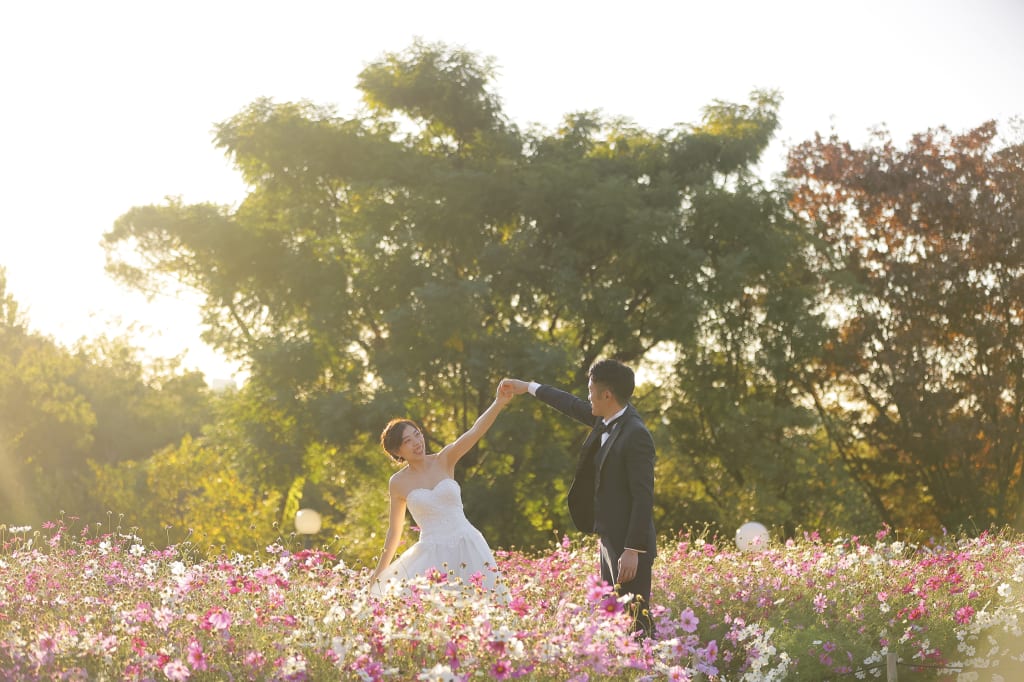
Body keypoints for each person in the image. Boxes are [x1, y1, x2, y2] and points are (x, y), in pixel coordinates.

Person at [502, 360, 656, 637]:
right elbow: (569, 403)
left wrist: (633, 549)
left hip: (631, 549)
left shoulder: (636, 434)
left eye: (590, 390)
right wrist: (528, 387)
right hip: (608, 539)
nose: (587, 396)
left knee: (636, 625)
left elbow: (643, 497)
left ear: (606, 395)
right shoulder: (605, 418)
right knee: (615, 623)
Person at [368, 383, 513, 601]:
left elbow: (475, 431)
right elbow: (394, 531)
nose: (417, 443)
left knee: (484, 607)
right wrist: (379, 572)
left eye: (417, 435)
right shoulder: (398, 483)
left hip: (469, 545)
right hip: (432, 555)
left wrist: (498, 403)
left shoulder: (444, 459)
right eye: (408, 441)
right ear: (397, 451)